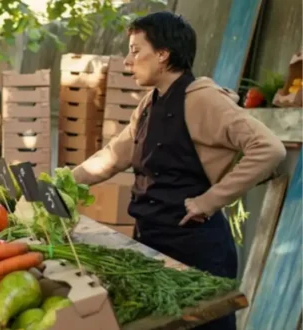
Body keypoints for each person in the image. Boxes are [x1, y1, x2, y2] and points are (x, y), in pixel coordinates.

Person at [71, 12, 286, 330]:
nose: (129, 61)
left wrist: (210, 200)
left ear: (162, 54)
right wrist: (60, 180)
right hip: (152, 243)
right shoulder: (148, 104)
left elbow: (270, 148)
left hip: (197, 252)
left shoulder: (204, 100)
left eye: (135, 50)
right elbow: (113, 157)